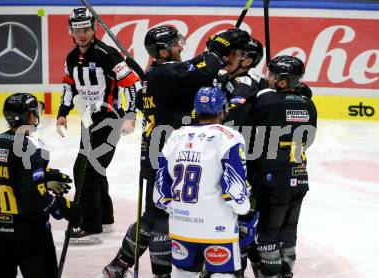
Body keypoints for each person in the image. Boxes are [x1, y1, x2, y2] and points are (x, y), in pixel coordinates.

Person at [102, 26, 241, 277]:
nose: (181, 46)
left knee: (152, 215)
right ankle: (161, 272)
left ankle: (119, 264)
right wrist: (215, 51)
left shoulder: (160, 74)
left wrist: (212, 68)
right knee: (165, 218)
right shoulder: (165, 75)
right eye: (176, 43)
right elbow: (201, 68)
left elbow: (193, 75)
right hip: (166, 156)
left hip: (157, 152)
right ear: (162, 50)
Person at [153, 86, 259, 277]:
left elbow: (160, 194)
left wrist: (178, 210)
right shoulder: (229, 137)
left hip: (181, 225)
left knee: (183, 274)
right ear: (222, 110)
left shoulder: (176, 136)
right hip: (217, 228)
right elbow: (235, 190)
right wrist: (245, 212)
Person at [55, 7, 141, 244]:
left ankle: (90, 226)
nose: (82, 34)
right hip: (89, 121)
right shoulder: (71, 57)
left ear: (93, 29)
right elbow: (69, 86)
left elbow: (132, 85)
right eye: (77, 30)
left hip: (110, 119)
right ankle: (104, 218)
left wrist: (130, 116)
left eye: (86, 29)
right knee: (94, 170)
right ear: (71, 31)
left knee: (85, 171)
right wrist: (63, 113)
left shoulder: (107, 53)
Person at [0, 93, 82, 278]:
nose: (37, 115)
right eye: (34, 112)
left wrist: (44, 175)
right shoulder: (32, 146)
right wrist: (63, 207)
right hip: (30, 236)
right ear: (29, 117)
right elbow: (35, 198)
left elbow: (13, 178)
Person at [242, 56, 317, 278]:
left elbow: (246, 128)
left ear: (282, 81)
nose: (268, 78)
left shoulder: (267, 101)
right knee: (288, 232)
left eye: (271, 76)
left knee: (267, 235)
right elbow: (309, 140)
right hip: (299, 175)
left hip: (272, 179)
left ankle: (272, 274)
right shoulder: (309, 105)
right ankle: (286, 272)